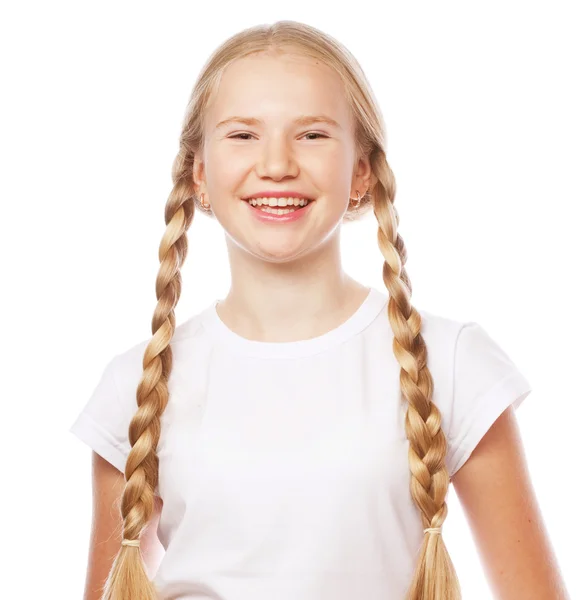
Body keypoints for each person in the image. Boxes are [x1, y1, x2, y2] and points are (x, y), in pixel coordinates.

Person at [69, 20, 567, 600]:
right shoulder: (136, 383)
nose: (277, 164)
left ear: (361, 171)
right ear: (199, 175)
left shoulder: (453, 364)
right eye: (242, 136)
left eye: (312, 135)